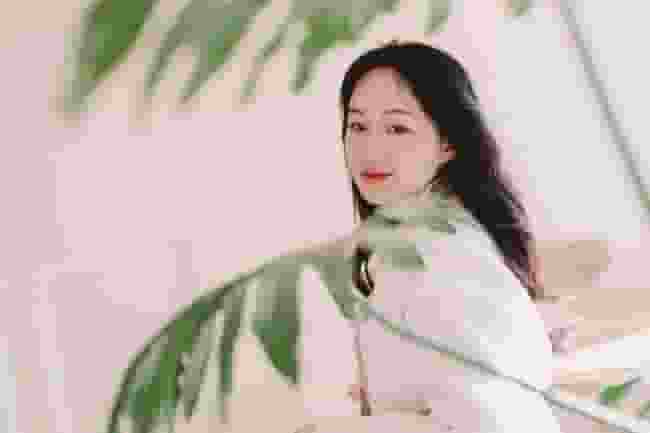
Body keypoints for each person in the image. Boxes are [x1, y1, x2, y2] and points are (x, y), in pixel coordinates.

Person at [327, 40, 569, 432]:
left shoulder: (440, 255)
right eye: (357, 126)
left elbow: (496, 419)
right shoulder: (418, 236)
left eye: (397, 128)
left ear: (449, 143)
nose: (370, 149)